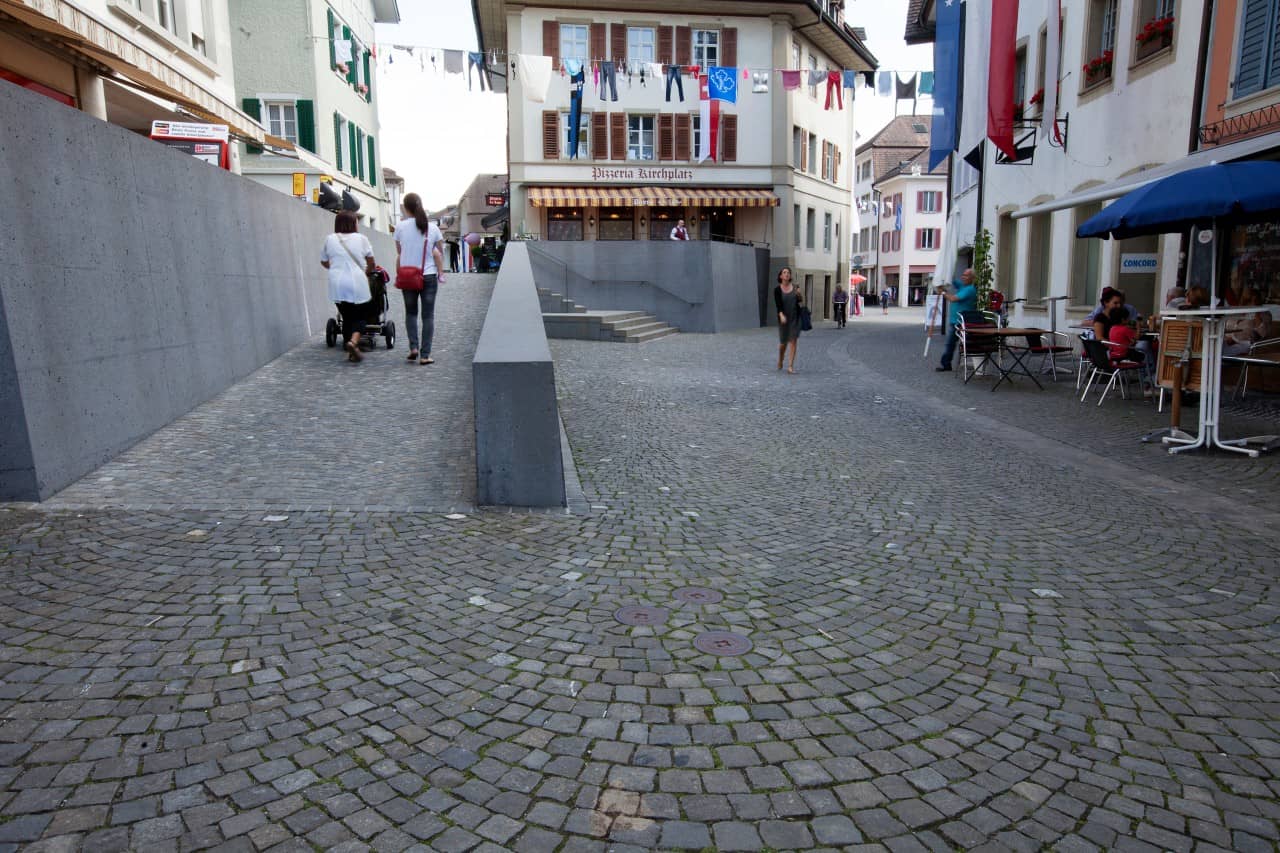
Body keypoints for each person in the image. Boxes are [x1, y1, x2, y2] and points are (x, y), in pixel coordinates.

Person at [394, 193, 446, 365]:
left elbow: (399, 252)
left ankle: (413, 347)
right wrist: (440, 271)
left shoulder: (400, 227)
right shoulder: (432, 228)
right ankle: (425, 355)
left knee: (410, 313)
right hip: (428, 275)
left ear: (406, 207)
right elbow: (440, 250)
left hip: (408, 275)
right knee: (428, 316)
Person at [321, 211, 375, 363]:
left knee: (346, 316)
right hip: (357, 282)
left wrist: (336, 266)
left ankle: (350, 348)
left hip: (337, 283)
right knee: (360, 315)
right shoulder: (362, 239)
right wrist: (367, 272)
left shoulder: (330, 239)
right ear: (354, 223)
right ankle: (353, 342)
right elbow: (371, 263)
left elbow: (324, 261)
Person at [935, 268, 977, 372]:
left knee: (951, 343)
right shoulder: (963, 286)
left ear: (972, 278)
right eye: (963, 275)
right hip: (955, 321)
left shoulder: (970, 289)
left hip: (961, 322)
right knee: (951, 343)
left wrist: (943, 293)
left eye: (966, 275)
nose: (963, 277)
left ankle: (946, 364)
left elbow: (953, 298)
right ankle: (946, 364)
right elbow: (952, 280)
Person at [774, 266, 803, 374]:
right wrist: (781, 315)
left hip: (794, 318)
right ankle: (781, 359)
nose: (786, 274)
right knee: (783, 343)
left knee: (793, 341)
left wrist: (799, 295)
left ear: (790, 276)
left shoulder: (795, 287)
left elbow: (800, 301)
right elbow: (778, 305)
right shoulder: (777, 290)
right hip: (783, 318)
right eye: (784, 272)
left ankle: (790, 366)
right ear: (781, 276)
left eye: (788, 272)